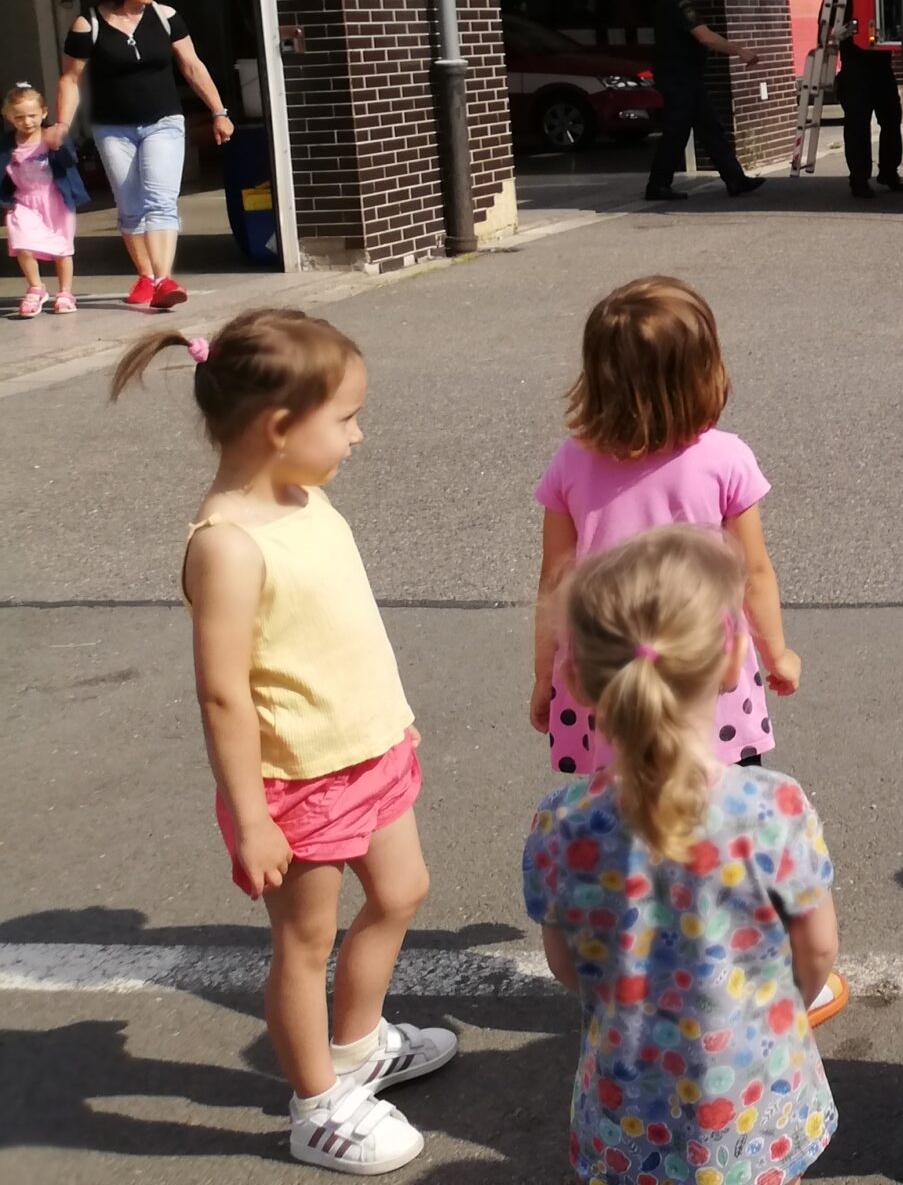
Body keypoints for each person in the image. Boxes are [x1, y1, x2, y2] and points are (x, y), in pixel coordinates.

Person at [114, 308, 454, 1174]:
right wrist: (252, 817)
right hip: (297, 782)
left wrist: (386, 721)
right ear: (277, 427)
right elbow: (224, 694)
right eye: (345, 418)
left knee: (402, 891)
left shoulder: (307, 498)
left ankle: (357, 1047)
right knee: (305, 943)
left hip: (369, 751)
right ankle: (317, 1105)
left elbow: (331, 631)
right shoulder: (227, 547)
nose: (358, 435)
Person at [525, 525, 840, 1184]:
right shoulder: (773, 810)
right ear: (733, 658)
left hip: (624, 1107)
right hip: (756, 1098)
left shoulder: (561, 823)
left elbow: (566, 964)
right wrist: (778, 1013)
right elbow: (816, 953)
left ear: (575, 678)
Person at [532, 277, 804, 774]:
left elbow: (555, 583)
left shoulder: (571, 462)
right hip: (703, 673)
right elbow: (753, 573)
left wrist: (544, 678)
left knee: (613, 806)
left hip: (607, 682)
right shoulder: (726, 459)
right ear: (700, 375)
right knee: (727, 802)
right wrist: (777, 653)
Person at [51, 0, 235, 310]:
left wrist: (219, 111)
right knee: (130, 206)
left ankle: (164, 280)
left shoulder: (166, 17)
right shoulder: (88, 25)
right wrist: (61, 124)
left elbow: (192, 66)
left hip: (163, 122)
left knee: (161, 200)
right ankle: (146, 277)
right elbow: (70, 80)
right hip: (112, 129)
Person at [644, 0, 766, 203]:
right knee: (676, 131)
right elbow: (705, 37)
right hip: (679, 78)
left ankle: (735, 179)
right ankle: (657, 185)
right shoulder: (678, 0)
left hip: (687, 77)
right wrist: (740, 51)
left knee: (710, 129)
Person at [6, 82, 79, 316]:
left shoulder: (50, 136)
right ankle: (36, 288)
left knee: (62, 249)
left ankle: (65, 292)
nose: (27, 122)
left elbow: (70, 162)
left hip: (55, 200)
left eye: (32, 116)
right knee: (22, 244)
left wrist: (58, 145)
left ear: (44, 113)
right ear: (8, 116)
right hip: (24, 201)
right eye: (19, 117)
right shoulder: (7, 144)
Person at [836, 34, 903, 199]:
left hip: (881, 68)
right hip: (855, 70)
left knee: (892, 120)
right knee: (858, 126)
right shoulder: (843, 16)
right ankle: (859, 180)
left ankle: (889, 172)